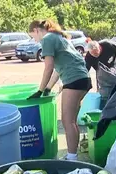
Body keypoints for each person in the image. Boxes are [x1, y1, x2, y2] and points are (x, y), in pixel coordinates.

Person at [27, 19, 91, 161]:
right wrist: (48, 89)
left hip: (74, 80)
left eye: (32, 36)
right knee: (72, 121)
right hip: (83, 79)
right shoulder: (58, 37)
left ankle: (72, 158)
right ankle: (72, 155)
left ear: (37, 30)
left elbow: (48, 67)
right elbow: (57, 69)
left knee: (67, 121)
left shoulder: (47, 39)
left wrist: (39, 90)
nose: (34, 40)